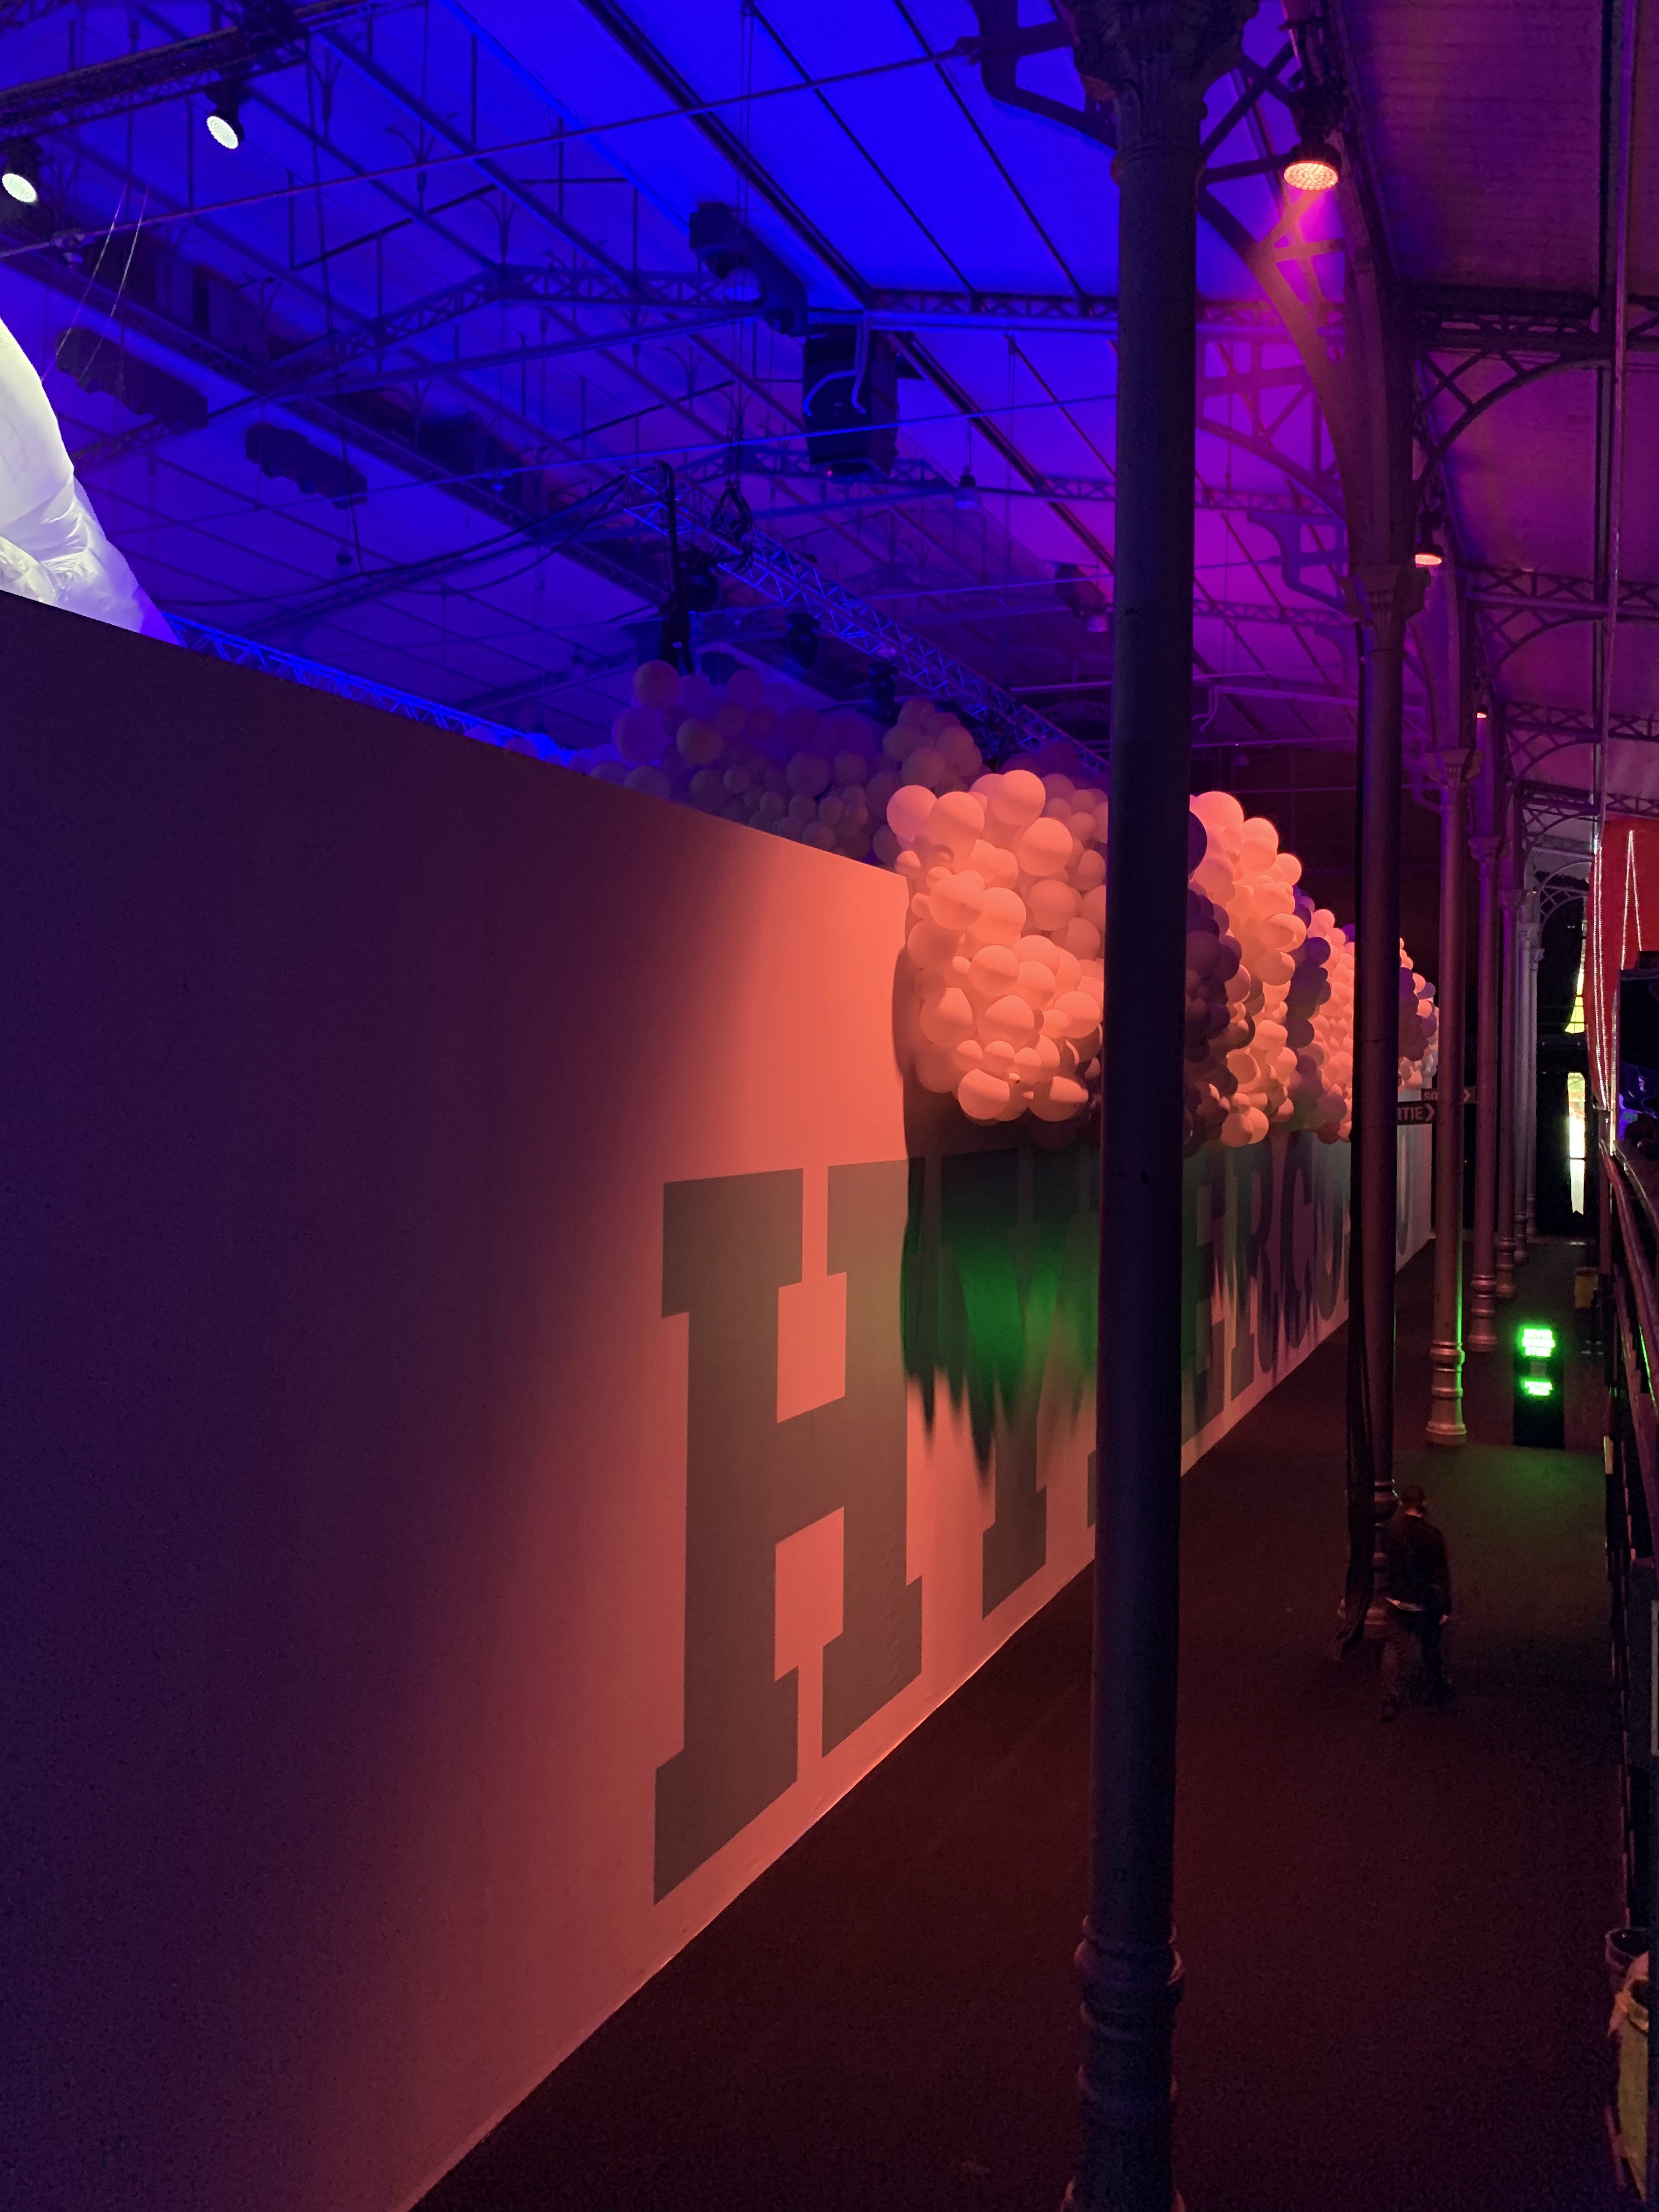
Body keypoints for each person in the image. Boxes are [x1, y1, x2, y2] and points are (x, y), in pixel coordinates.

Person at [1379, 1484, 1452, 1720]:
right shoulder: (1432, 1535)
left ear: (1402, 1504)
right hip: (1424, 1602)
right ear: (1424, 1504)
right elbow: (1441, 1574)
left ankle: (1390, 1700)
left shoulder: (1391, 1531)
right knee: (1431, 1649)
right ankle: (1436, 1693)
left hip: (1398, 1599)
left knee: (1394, 1649)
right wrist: (1445, 1607)